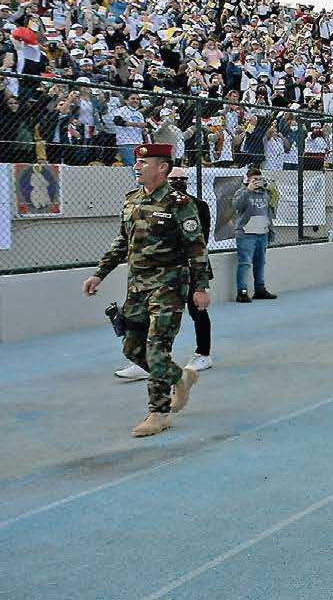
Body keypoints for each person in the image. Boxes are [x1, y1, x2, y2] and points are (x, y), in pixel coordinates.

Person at [82, 143, 210, 437]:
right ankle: (181, 376)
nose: (136, 167)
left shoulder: (180, 204)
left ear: (162, 168)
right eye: (137, 163)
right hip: (137, 287)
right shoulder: (131, 200)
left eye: (144, 163)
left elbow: (197, 248)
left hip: (169, 286)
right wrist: (99, 274)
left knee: (156, 351)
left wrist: (200, 287)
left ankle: (159, 413)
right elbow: (121, 243)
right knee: (132, 348)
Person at [232, 163, 276, 302]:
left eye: (259, 179)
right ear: (248, 179)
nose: (257, 182)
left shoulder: (264, 194)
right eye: (254, 179)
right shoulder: (241, 192)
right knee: (245, 263)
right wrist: (248, 190)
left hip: (261, 233)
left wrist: (271, 229)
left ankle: (260, 289)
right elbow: (237, 206)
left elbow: (268, 212)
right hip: (246, 234)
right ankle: (242, 292)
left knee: (260, 263)